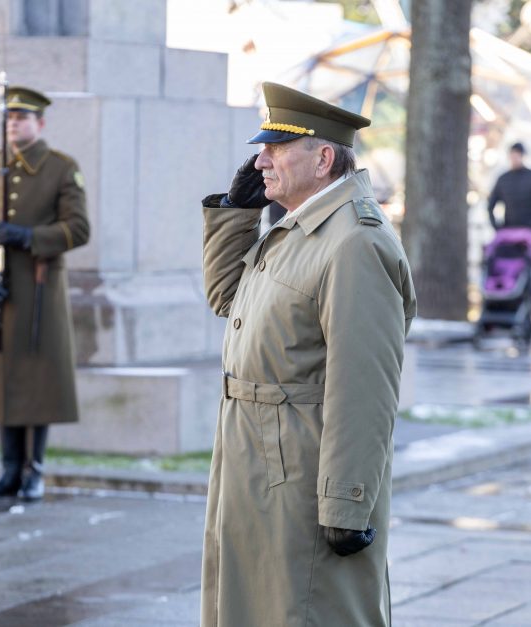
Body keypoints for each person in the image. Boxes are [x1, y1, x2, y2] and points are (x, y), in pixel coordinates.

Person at [199, 81, 416, 626]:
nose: (261, 159)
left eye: (275, 148)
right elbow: (229, 298)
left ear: (322, 159)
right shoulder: (298, 228)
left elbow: (364, 387)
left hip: (301, 471)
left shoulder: (354, 241)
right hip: (258, 460)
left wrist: (346, 501)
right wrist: (235, 212)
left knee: (309, 610)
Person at [0, 86, 89, 501]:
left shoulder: (61, 168)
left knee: (38, 380)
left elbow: (78, 229)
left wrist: (29, 236)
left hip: (38, 290)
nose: (14, 123)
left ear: (40, 123)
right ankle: (9, 469)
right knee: (2, 380)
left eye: (23, 117)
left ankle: (34, 471)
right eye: (10, 117)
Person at [486, 142, 531, 231]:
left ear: (522, 156)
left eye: (517, 155)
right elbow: (490, 204)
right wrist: (496, 226)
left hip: (529, 231)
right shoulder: (503, 179)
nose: (515, 158)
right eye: (512, 155)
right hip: (508, 229)